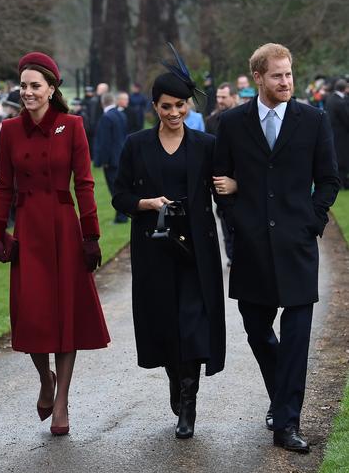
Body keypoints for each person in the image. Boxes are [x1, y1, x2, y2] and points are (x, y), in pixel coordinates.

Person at [214, 43, 340, 453]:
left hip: (297, 245)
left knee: (298, 336)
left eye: (288, 74)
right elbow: (221, 180)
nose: (286, 82)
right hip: (251, 245)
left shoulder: (313, 120)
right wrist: (236, 216)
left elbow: (329, 180)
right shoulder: (232, 124)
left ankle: (287, 423)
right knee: (256, 329)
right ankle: (282, 396)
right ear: (258, 78)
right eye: (277, 75)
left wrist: (313, 221)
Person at [112, 54, 236, 439]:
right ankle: (175, 379)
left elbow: (224, 195)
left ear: (188, 106)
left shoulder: (206, 144)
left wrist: (233, 188)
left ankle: (189, 398)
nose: (173, 113)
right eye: (166, 106)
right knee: (165, 323)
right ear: (155, 107)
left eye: (180, 106)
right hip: (155, 245)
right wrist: (146, 204)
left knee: (194, 322)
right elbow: (119, 196)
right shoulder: (136, 145)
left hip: (197, 247)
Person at [0, 52, 110, 436]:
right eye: (23, 86)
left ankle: (62, 404)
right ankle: (46, 378)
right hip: (28, 229)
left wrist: (90, 235)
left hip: (63, 227)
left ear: (52, 89)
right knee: (32, 316)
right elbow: (4, 185)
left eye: (35, 86)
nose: (27, 92)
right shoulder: (9, 130)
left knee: (64, 316)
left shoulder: (72, 126)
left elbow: (85, 183)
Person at [205, 82, 238, 266]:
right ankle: (232, 255)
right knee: (224, 215)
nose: (220, 100)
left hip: (241, 176)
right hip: (220, 177)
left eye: (223, 97)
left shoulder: (245, 117)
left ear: (233, 97)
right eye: (218, 97)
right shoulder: (211, 121)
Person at [94, 92, 128, 223]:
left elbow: (105, 142)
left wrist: (103, 161)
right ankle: (122, 215)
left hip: (111, 160)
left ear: (102, 102)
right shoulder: (121, 115)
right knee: (120, 187)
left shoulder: (106, 117)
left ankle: (121, 216)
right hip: (121, 156)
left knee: (115, 189)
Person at [325, 79, 349, 188]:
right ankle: (342, 183)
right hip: (342, 134)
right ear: (345, 88)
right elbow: (346, 119)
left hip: (332, 132)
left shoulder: (330, 98)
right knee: (342, 159)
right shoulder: (340, 102)